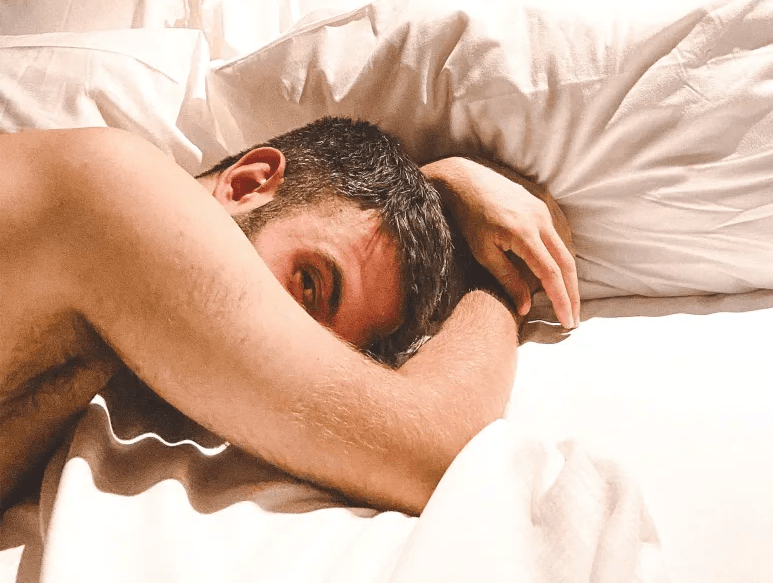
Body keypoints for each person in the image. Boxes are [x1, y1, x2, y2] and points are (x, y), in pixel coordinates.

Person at [0, 117, 579, 515]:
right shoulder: (116, 187)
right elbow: (439, 450)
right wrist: (502, 287)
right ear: (250, 184)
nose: (299, 347)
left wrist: (441, 180)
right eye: (309, 284)